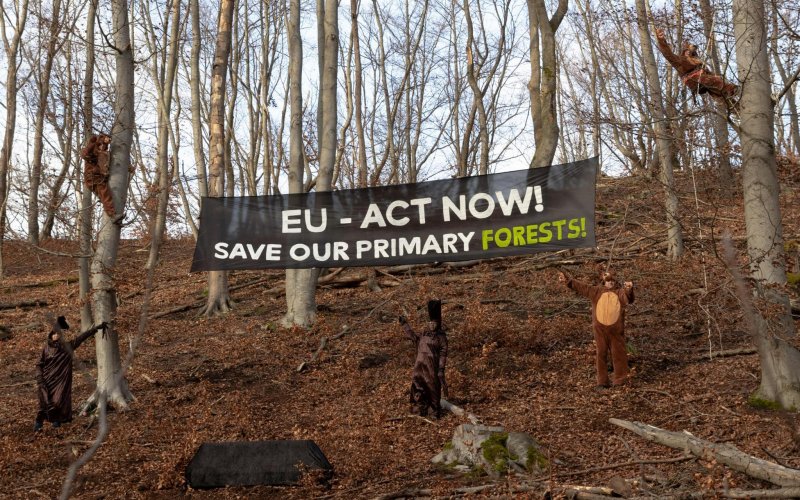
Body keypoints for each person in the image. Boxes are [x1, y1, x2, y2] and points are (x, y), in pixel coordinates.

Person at [558, 270, 634, 388]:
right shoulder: (596, 292)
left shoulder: (620, 293)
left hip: (616, 332)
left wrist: (629, 289)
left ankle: (620, 380)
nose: (610, 283)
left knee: (618, 354)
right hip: (600, 331)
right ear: (604, 282)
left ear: (616, 282)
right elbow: (581, 287)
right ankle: (602, 382)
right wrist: (568, 280)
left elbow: (628, 298)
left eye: (612, 281)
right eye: (608, 281)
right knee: (601, 354)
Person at [35, 316, 106, 432]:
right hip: (46, 380)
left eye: (58, 334)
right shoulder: (46, 349)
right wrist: (39, 377)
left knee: (58, 401)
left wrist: (96, 329)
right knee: (44, 403)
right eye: (54, 334)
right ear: (51, 335)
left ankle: (56, 422)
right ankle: (38, 424)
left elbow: (81, 338)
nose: (56, 336)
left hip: (60, 381)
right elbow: (39, 364)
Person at [654, 28, 738, 109]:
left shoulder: (699, 64)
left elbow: (710, 74)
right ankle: (731, 89)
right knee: (712, 80)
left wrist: (716, 77)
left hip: (704, 81)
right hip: (693, 80)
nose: (688, 52)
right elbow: (669, 55)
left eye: (690, 51)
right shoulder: (680, 60)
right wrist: (662, 41)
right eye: (686, 51)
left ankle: (735, 105)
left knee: (717, 89)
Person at [398, 300, 448, 418]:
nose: (431, 325)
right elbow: (413, 337)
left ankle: (434, 412)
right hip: (419, 366)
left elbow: (443, 354)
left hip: (431, 367)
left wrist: (441, 369)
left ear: (438, 323)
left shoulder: (441, 337)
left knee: (432, 388)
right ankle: (418, 410)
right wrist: (405, 325)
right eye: (430, 322)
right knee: (417, 386)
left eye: (434, 323)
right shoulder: (423, 334)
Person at [81, 133, 118, 221]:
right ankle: (112, 215)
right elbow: (85, 154)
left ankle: (114, 217)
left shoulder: (101, 151)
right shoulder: (92, 148)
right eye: (104, 141)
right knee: (105, 195)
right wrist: (99, 141)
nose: (103, 146)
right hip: (94, 178)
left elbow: (103, 157)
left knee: (104, 197)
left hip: (97, 178)